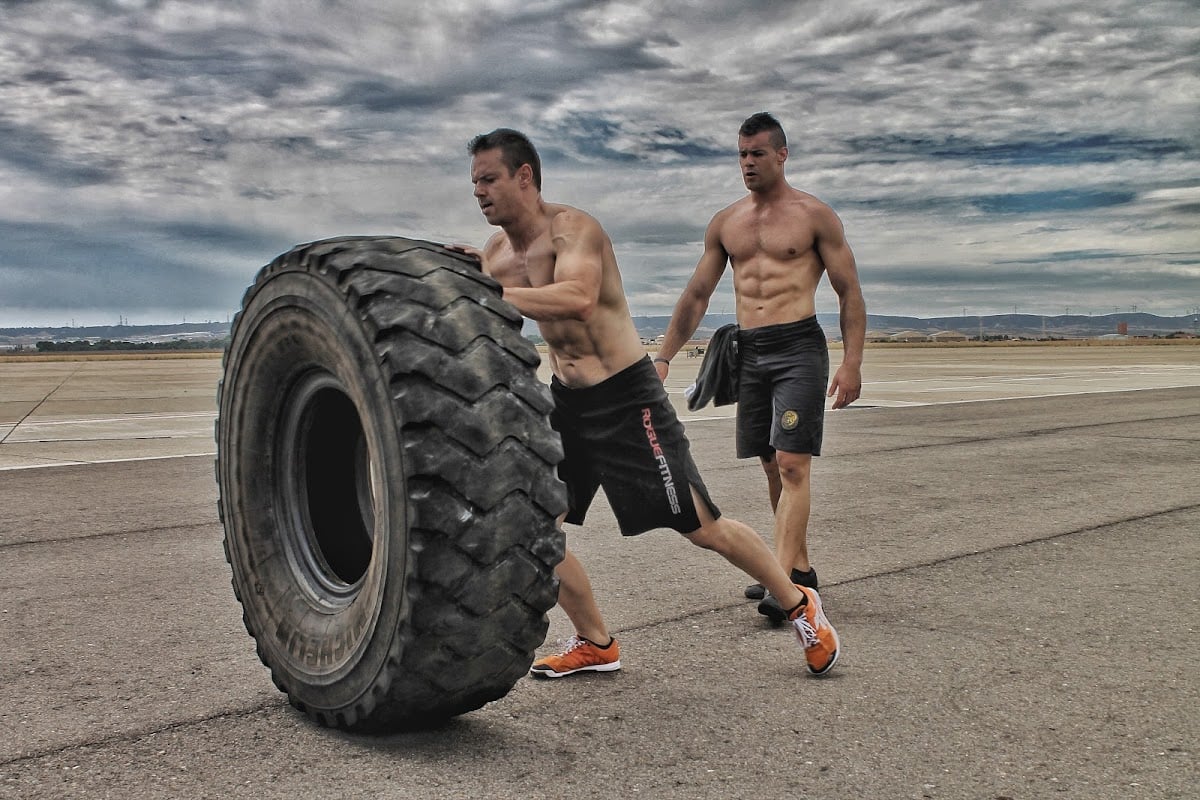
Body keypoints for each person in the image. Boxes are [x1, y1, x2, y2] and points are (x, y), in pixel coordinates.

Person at [451, 127, 839, 678]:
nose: (478, 192)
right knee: (534, 526)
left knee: (701, 525)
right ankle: (596, 642)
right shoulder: (495, 255)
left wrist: (490, 290)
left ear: (524, 176)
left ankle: (801, 606)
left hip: (627, 399)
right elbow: (486, 314)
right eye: (473, 183)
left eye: (488, 179)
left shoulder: (574, 231)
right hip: (567, 403)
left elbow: (579, 299)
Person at [653, 112, 866, 623]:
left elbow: (848, 291)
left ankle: (787, 583)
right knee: (771, 464)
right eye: (742, 155)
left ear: (782, 155)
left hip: (798, 348)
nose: (747, 163)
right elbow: (697, 294)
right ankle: (799, 570)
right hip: (749, 350)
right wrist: (663, 355)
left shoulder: (815, 216)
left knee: (794, 463)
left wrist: (852, 361)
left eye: (757, 154)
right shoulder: (727, 222)